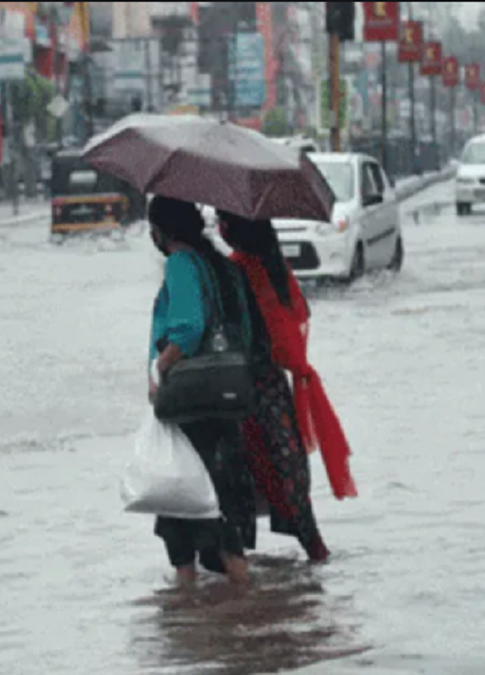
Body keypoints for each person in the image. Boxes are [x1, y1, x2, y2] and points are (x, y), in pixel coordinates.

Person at [218, 212, 357, 562]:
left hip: (244, 390)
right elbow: (298, 315)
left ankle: (236, 573)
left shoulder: (237, 271)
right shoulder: (276, 268)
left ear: (233, 229)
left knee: (246, 476)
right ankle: (315, 552)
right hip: (275, 387)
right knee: (287, 471)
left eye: (222, 220)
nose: (219, 226)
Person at [147, 195, 256, 587]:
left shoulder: (180, 265)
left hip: (191, 399)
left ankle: (186, 602)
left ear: (160, 231)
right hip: (227, 396)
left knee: (181, 499)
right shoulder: (221, 266)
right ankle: (243, 598)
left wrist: (160, 366)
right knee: (219, 497)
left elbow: (189, 329)